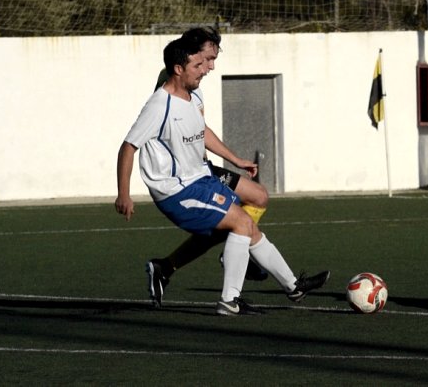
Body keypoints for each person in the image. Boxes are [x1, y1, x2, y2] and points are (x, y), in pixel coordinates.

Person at [115, 36, 329, 315]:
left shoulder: (192, 95)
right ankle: (229, 300)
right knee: (240, 222)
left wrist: (235, 159)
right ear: (179, 68)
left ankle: (292, 287)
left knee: (247, 220)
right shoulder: (160, 105)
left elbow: (201, 130)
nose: (206, 68)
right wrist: (124, 193)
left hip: (201, 177)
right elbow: (128, 146)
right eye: (200, 63)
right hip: (177, 190)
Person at [146, 27, 270, 307]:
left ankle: (176, 264)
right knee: (232, 221)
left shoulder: (194, 81)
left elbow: (200, 129)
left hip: (203, 168)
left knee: (257, 198)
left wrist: (235, 160)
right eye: (208, 58)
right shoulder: (174, 82)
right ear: (191, 56)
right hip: (189, 176)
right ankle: (232, 252)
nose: (212, 66)